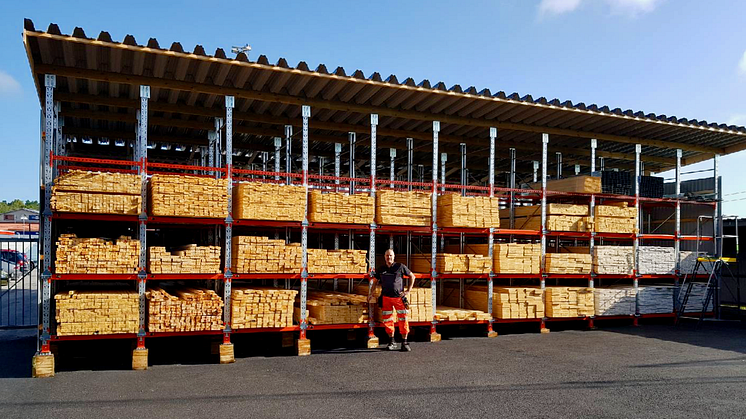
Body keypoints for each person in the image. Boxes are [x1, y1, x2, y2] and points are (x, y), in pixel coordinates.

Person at [369, 248, 416, 352]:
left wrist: (408, 290)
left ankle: (404, 342)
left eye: (390, 255)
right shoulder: (381, 269)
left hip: (399, 298)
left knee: (403, 319)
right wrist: (371, 293)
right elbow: (375, 281)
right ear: (384, 257)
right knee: (388, 320)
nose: (388, 257)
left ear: (394, 257)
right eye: (387, 256)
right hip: (386, 298)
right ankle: (391, 341)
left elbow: (412, 276)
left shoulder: (400, 267)